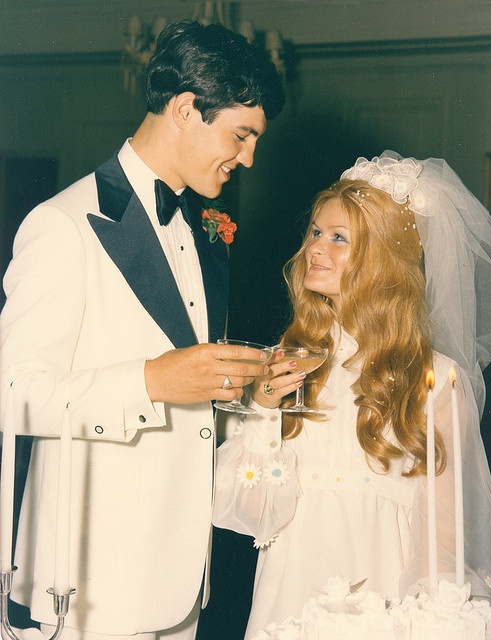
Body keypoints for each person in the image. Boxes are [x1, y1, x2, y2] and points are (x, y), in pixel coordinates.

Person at [0, 19, 284, 640]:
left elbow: (195, 411)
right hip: (86, 587)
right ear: (186, 108)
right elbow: (15, 393)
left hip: (183, 585)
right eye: (241, 135)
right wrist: (152, 380)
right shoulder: (63, 226)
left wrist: (249, 395)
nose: (250, 158)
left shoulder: (207, 232)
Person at [212, 151, 491, 638]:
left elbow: (448, 535)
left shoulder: (435, 379)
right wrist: (262, 411)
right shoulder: (290, 360)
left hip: (383, 594)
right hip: (292, 590)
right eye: (316, 233)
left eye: (339, 238)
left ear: (382, 260)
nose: (315, 249)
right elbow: (251, 508)